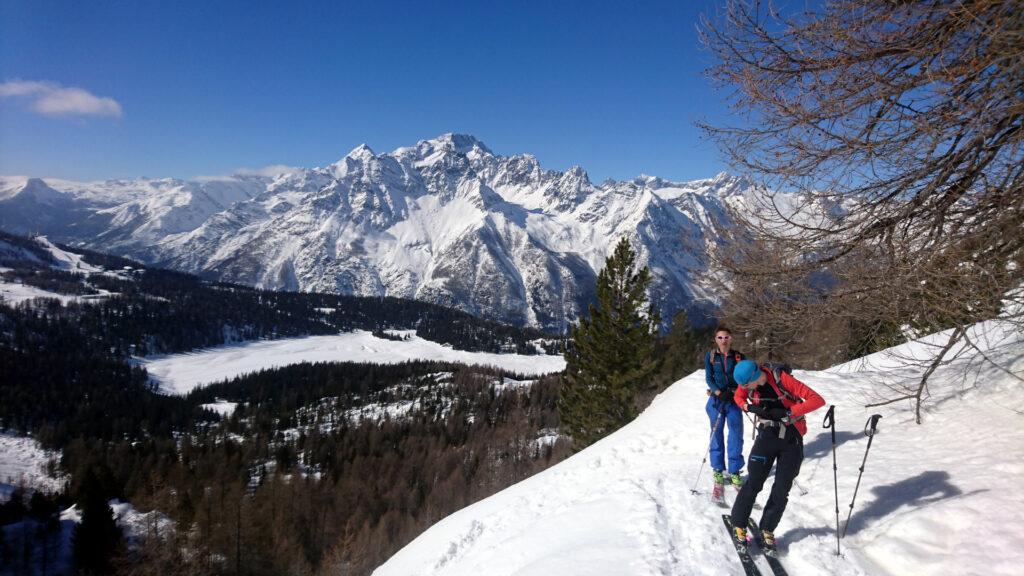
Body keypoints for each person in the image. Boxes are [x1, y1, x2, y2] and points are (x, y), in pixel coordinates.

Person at [729, 359, 825, 555]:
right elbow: (738, 398)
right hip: (767, 436)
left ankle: (767, 529)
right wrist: (749, 408)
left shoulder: (782, 379)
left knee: (782, 488)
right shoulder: (746, 384)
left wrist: (790, 412)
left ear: (754, 377)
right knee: (754, 482)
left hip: (792, 439)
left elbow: (817, 399)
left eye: (747, 385)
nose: (745, 389)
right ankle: (739, 524)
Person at [703, 327, 746, 500]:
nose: (723, 340)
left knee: (736, 435)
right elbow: (709, 378)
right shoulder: (711, 356)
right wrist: (719, 393)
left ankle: (734, 471)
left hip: (734, 401)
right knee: (716, 434)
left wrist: (737, 392)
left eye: (726, 337)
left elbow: (746, 377)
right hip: (716, 400)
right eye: (720, 337)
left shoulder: (739, 357)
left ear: (731, 338)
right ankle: (718, 471)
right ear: (716, 339)